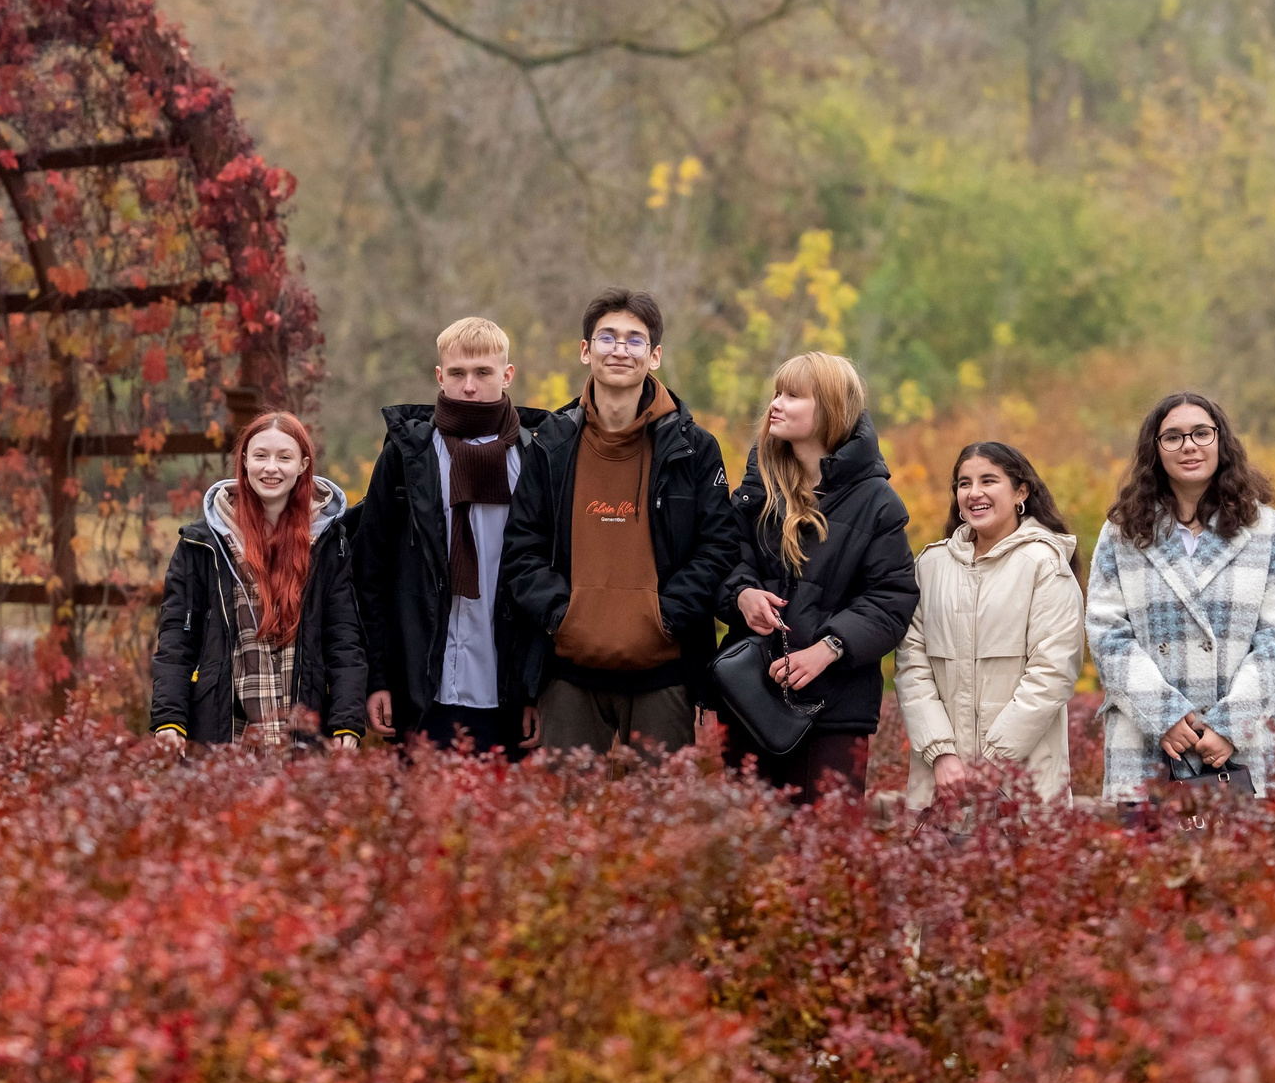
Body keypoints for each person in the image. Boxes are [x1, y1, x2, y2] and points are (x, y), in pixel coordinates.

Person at [500, 286, 741, 756]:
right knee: (567, 822)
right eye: (607, 337)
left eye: (634, 340)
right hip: (567, 673)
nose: (620, 349)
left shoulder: (694, 448)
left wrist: (665, 617)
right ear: (586, 351)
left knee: (661, 822)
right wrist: (562, 616)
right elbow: (521, 549)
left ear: (653, 357)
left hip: (664, 673)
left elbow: (718, 547)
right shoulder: (550, 443)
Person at [1084, 391, 1275, 804]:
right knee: (1143, 866)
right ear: (1156, 450)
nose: (1189, 445)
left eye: (1201, 433)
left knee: (1251, 866)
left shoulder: (1266, 531)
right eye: (1173, 437)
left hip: (1244, 748)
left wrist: (1228, 727)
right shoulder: (1123, 532)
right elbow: (1107, 633)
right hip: (1148, 743)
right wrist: (1164, 716)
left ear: (1221, 442)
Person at [722, 352, 919, 804]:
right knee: (746, 851)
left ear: (829, 409)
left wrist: (828, 650)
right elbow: (723, 557)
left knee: (827, 855)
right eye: (776, 392)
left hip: (835, 708)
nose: (776, 403)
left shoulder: (878, 501)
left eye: (793, 395)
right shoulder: (759, 483)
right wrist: (742, 594)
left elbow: (892, 599)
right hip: (749, 694)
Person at [353, 316, 547, 754]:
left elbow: (549, 578)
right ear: (440, 377)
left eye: (483, 373)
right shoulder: (406, 458)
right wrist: (377, 677)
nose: (470, 386)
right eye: (457, 374)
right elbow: (371, 574)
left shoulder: (536, 458)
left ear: (507, 375)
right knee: (423, 817)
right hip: (422, 686)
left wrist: (535, 690)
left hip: (506, 686)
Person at [149, 410, 368, 748]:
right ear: (245, 462)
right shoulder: (202, 543)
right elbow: (177, 639)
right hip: (225, 735)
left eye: (284, 457)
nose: (271, 468)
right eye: (261, 456)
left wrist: (346, 725)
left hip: (303, 738)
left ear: (303, 465)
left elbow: (344, 640)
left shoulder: (329, 543)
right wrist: (169, 719)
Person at [894, 441, 1085, 809]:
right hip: (942, 784)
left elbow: (1051, 674)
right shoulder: (931, 566)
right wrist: (943, 755)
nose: (974, 493)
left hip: (1022, 786)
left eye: (988, 480)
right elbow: (911, 669)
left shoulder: (1045, 565)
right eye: (964, 483)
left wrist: (992, 762)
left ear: (1021, 492)